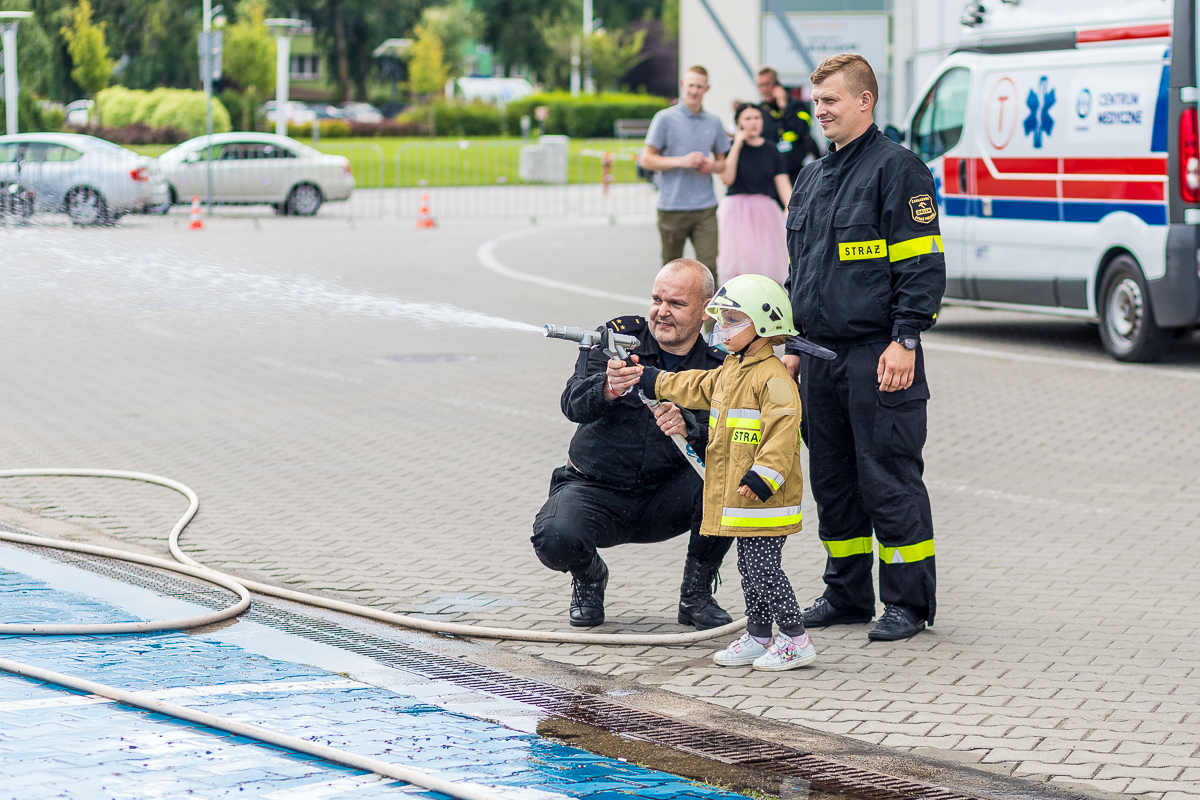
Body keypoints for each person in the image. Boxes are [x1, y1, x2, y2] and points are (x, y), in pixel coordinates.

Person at [782, 53, 945, 642]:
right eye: (815, 101)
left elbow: (921, 265)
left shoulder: (898, 170)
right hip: (818, 356)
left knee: (888, 478)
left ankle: (907, 603)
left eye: (830, 100)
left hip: (879, 352)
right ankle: (846, 594)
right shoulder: (812, 176)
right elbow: (800, 268)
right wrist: (792, 338)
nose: (819, 110)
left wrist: (905, 338)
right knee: (833, 479)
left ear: (864, 101)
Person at [609, 274, 815, 671]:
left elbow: (783, 434)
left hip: (764, 498)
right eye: (721, 318)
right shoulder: (733, 369)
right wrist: (656, 380)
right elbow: (697, 385)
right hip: (740, 498)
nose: (721, 328)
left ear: (764, 326)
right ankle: (758, 635)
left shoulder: (773, 379)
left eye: (733, 319)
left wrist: (763, 476)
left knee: (764, 569)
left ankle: (795, 638)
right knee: (748, 568)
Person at [531, 259, 734, 630]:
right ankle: (590, 578)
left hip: (666, 496)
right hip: (596, 488)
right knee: (554, 537)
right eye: (657, 299)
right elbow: (571, 403)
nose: (662, 312)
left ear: (705, 311)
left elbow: (732, 434)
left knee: (725, 484)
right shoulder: (616, 341)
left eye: (676, 303)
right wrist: (607, 388)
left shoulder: (719, 364)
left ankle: (696, 596)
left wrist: (690, 428)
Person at [642, 66, 730, 278]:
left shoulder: (714, 122)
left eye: (699, 86)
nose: (694, 90)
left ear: (707, 88)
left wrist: (712, 166)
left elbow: (722, 163)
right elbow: (646, 159)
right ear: (683, 85)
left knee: (709, 268)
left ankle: (709, 312)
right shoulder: (664, 118)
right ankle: (668, 312)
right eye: (691, 85)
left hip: (705, 207)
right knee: (671, 271)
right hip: (672, 207)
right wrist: (682, 161)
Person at [716, 103, 791, 286]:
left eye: (757, 118)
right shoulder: (730, 147)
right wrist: (737, 144)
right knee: (738, 262)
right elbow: (726, 178)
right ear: (738, 122)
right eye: (748, 119)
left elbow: (783, 184)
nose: (754, 122)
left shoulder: (771, 149)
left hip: (765, 210)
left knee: (768, 262)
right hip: (736, 211)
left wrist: (791, 208)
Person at [756, 66, 821, 183]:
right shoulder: (759, 111)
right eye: (761, 85)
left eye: (767, 84)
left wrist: (784, 106)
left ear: (777, 84)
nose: (764, 89)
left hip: (797, 171)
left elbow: (802, 128)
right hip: (772, 172)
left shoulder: (797, 105)